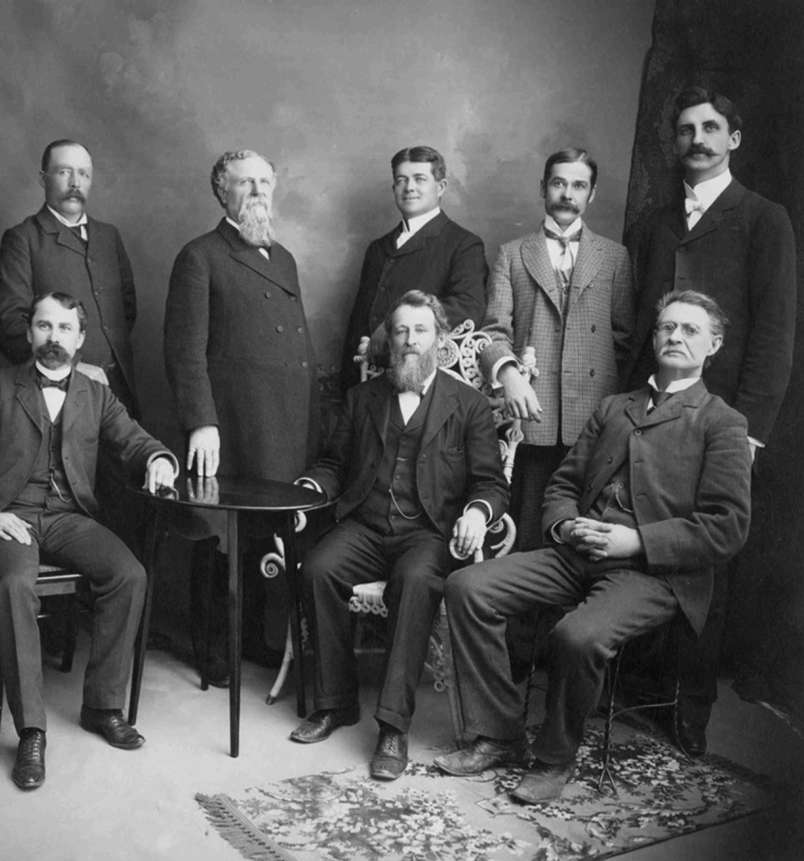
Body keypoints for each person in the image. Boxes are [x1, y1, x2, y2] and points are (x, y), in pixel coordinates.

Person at [435, 290, 751, 804]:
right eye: (666, 327)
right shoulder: (614, 408)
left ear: (713, 345)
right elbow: (562, 485)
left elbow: (727, 526)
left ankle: (555, 758)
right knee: (467, 586)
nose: (675, 336)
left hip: (654, 573)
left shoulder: (721, 422)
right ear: (652, 338)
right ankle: (498, 734)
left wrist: (638, 540)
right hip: (577, 552)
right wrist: (565, 527)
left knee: (577, 636)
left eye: (690, 330)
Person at [0, 291, 177, 792]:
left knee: (128, 574)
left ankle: (102, 706)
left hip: (68, 516)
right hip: (10, 516)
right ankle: (31, 730)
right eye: (44, 327)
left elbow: (134, 440)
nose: (54, 338)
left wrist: (158, 460)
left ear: (81, 339)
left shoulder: (95, 394)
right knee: (13, 586)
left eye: (64, 329)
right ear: (29, 334)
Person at [628, 86, 797, 754]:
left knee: (707, 563)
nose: (696, 139)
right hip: (649, 410)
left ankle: (688, 705)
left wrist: (750, 431)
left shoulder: (762, 219)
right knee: (642, 535)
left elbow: (775, 336)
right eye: (685, 130)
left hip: (723, 421)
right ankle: (637, 680)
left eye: (710, 128)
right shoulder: (653, 225)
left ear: (734, 138)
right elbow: (636, 327)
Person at [288, 290, 509, 782]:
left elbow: (492, 483)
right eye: (401, 331)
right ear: (390, 339)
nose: (409, 341)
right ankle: (335, 703)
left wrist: (477, 511)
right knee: (319, 570)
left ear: (440, 338)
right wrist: (310, 488)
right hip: (366, 525)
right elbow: (332, 464)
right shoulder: (362, 398)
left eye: (420, 331)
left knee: (414, 583)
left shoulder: (469, 405)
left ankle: (392, 726)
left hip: (428, 533)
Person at [164, 149, 320, 676]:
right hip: (231, 422)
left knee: (261, 535)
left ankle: (252, 637)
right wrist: (201, 421)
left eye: (263, 182)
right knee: (220, 536)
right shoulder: (201, 255)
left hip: (282, 422)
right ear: (221, 192)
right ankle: (213, 648)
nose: (256, 191)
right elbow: (184, 350)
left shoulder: (285, 258)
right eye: (244, 182)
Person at [480, 148, 634, 551]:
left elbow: (623, 340)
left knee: (584, 530)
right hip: (533, 413)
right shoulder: (512, 254)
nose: (568, 193)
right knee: (529, 529)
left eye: (578, 185)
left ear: (592, 194)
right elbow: (492, 332)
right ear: (543, 187)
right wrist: (510, 374)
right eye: (559, 183)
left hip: (593, 415)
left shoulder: (614, 257)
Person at [0, 139, 139, 412]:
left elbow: (125, 311)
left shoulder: (109, 237)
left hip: (117, 393)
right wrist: (70, 367)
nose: (75, 182)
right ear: (43, 178)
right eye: (64, 172)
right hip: (54, 396)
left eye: (83, 173)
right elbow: (10, 324)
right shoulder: (22, 238)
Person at [340, 146, 486, 390]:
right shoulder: (377, 248)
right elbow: (358, 323)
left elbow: (468, 306)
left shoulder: (463, 244)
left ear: (440, 187)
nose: (409, 187)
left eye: (420, 179)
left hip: (425, 381)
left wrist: (393, 327)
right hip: (368, 383)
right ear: (394, 189)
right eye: (401, 180)